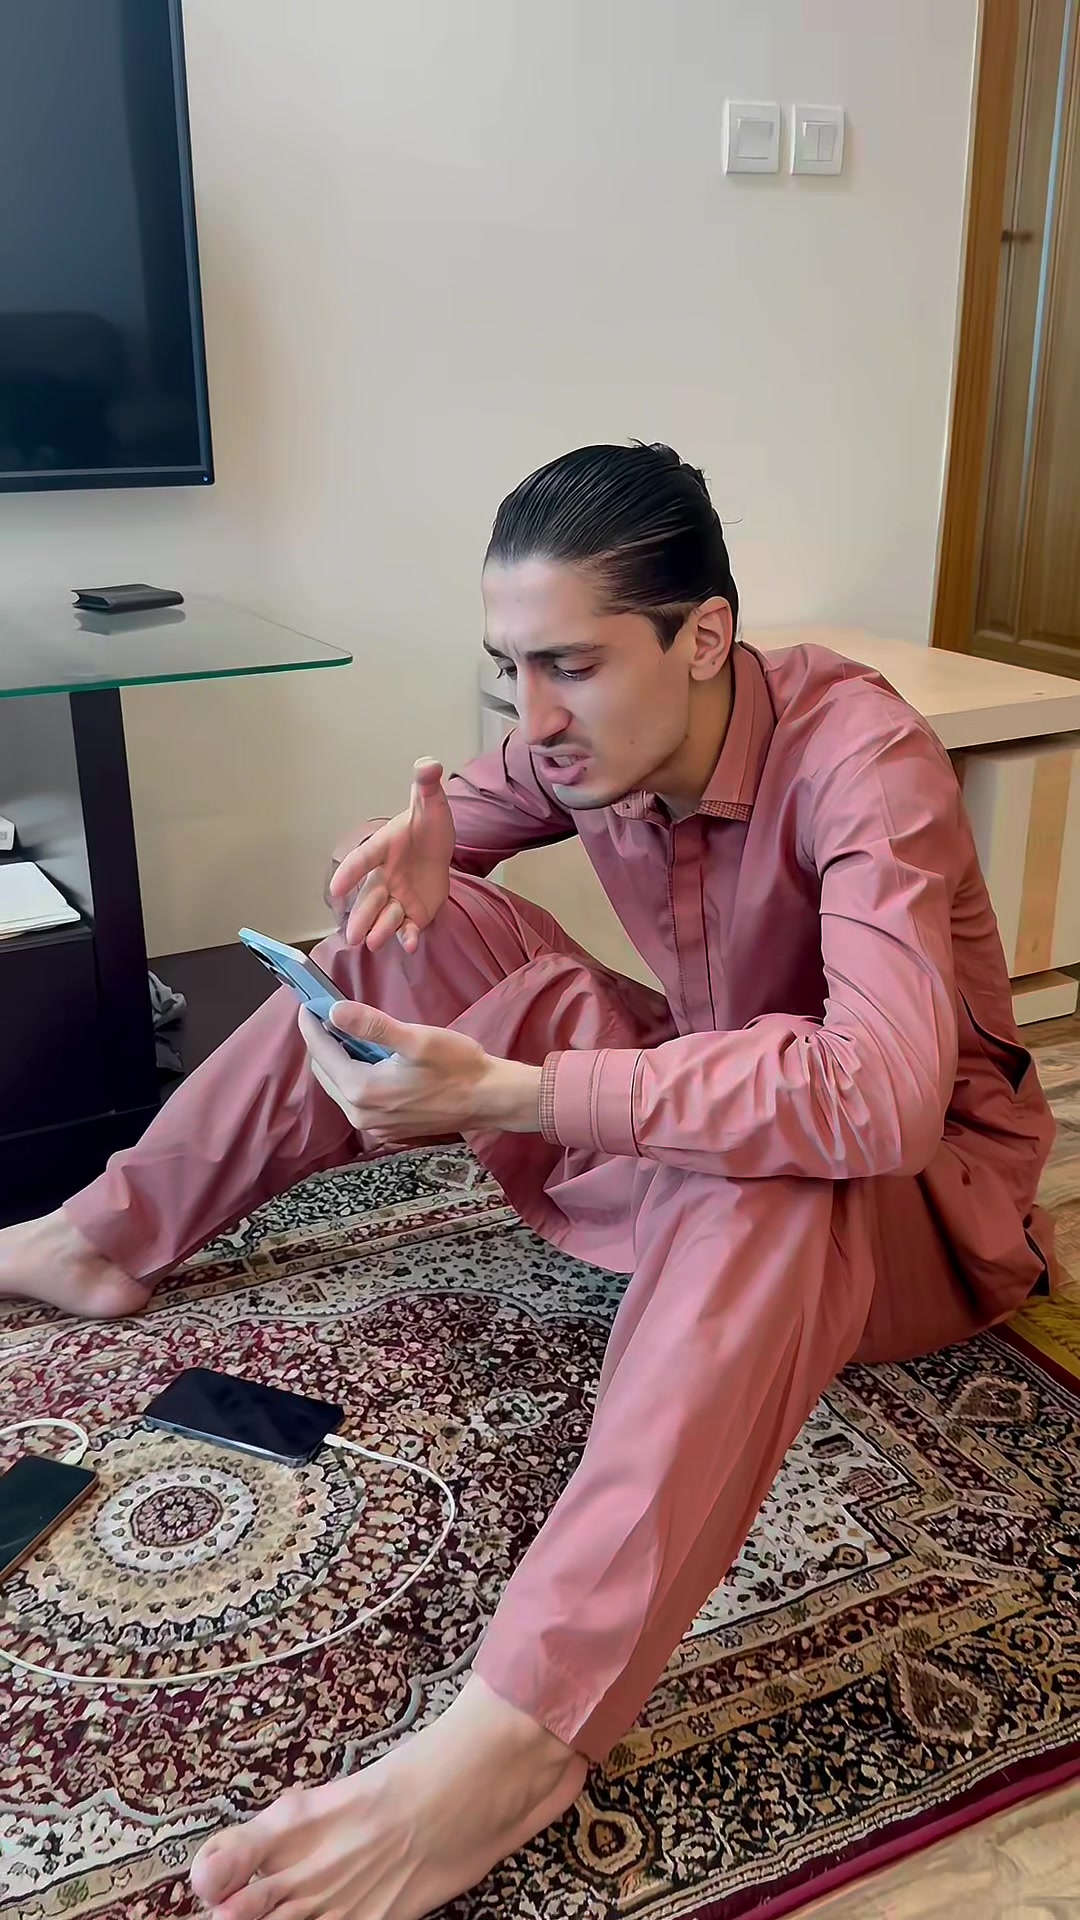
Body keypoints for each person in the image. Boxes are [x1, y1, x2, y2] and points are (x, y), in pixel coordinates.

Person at [0, 443, 1056, 1920]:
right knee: (409, 934)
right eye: (510, 669)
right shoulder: (579, 741)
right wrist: (401, 853)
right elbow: (426, 868)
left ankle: (515, 1737)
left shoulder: (864, 760)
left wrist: (514, 1094)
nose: (534, 717)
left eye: (571, 665)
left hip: (919, 1212)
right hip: (730, 1123)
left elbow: (874, 1099)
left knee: (775, 1135)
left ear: (705, 639)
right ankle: (100, 1235)